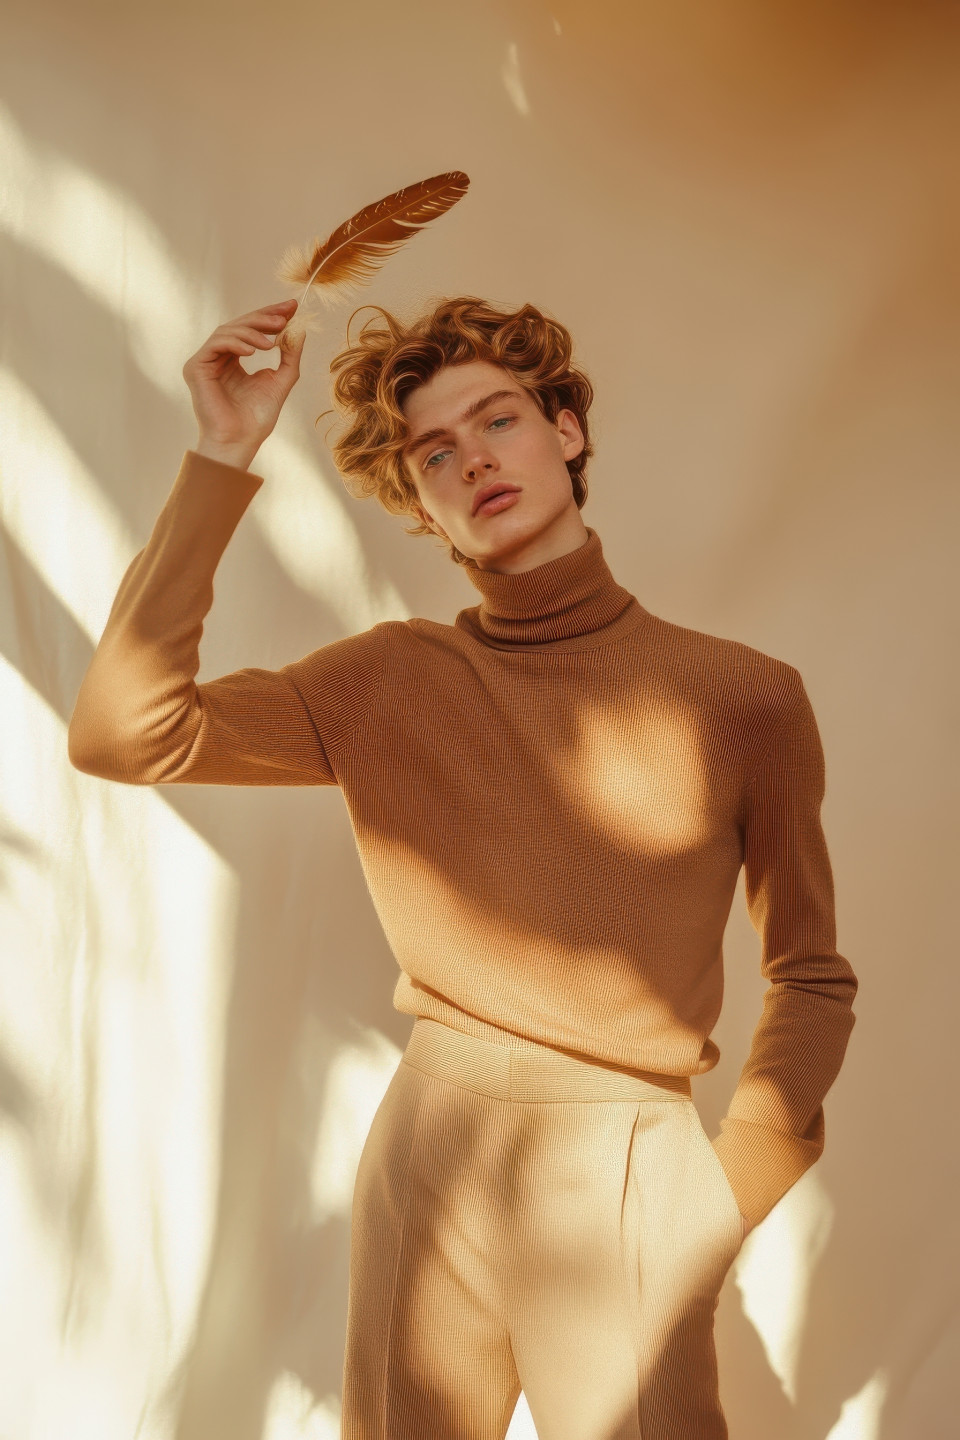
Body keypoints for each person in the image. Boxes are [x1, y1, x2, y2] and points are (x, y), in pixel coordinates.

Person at [68, 292, 858, 1440]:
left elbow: (812, 976)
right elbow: (124, 734)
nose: (473, 460)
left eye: (498, 421)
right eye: (435, 452)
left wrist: (721, 1201)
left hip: (627, 1168)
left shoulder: (745, 698)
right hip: (426, 1155)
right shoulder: (387, 681)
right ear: (421, 508)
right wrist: (222, 453)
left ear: (567, 433)